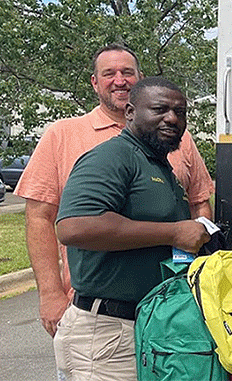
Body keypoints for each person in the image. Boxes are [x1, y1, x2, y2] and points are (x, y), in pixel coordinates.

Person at [16, 43, 214, 338]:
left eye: (127, 72)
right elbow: (44, 220)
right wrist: (51, 294)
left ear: (140, 78)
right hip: (100, 311)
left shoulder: (173, 140)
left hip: (164, 311)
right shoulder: (66, 135)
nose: (119, 80)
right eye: (109, 73)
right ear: (95, 83)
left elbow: (198, 202)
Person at [53, 77, 212, 381]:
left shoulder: (160, 168)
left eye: (180, 112)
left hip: (150, 327)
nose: (172, 118)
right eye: (160, 109)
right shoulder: (111, 158)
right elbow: (74, 227)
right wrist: (174, 232)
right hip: (107, 332)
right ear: (130, 112)